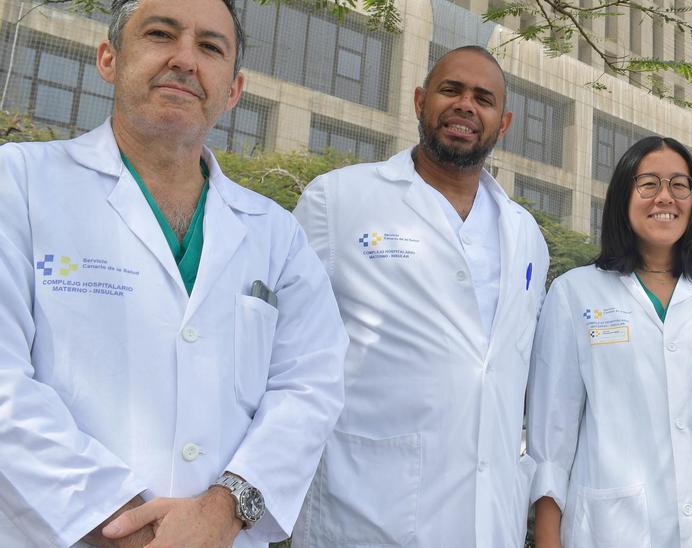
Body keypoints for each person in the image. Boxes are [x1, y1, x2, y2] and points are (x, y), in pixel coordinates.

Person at [0, 0, 348, 546]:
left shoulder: (276, 235)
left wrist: (225, 507)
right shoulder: (17, 185)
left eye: (210, 47)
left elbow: (311, 386)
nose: (185, 60)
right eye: (161, 34)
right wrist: (127, 526)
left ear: (232, 90)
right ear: (110, 58)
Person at [291, 45, 550, 548]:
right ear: (419, 100)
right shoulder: (337, 201)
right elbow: (286, 357)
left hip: (488, 517)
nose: (465, 106)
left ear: (504, 122)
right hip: (363, 514)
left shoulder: (528, 236)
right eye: (450, 90)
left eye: (483, 98)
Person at [526, 136, 692, 547]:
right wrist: (547, 538)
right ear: (622, 197)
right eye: (648, 183)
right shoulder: (575, 294)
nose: (664, 197)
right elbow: (551, 438)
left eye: (679, 185)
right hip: (615, 529)